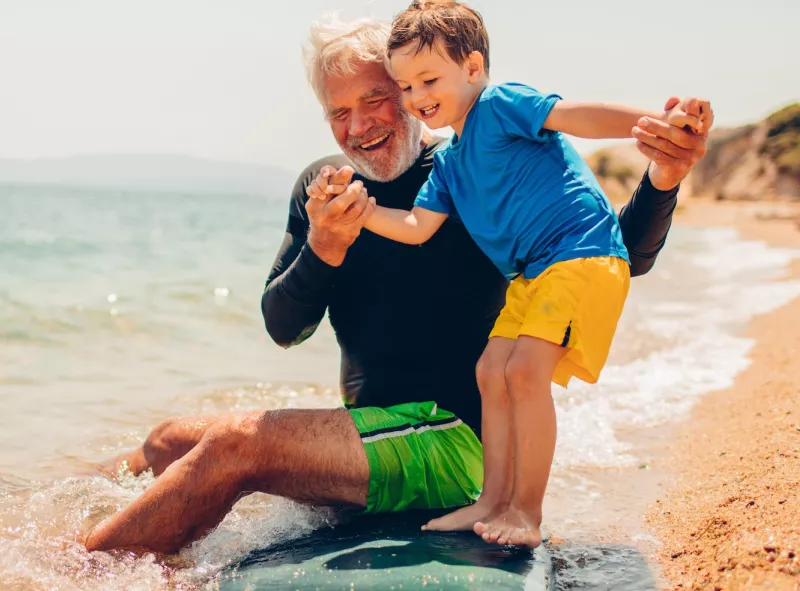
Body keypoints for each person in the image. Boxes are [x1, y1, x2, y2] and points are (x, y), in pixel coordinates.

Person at [82, 16, 713, 555]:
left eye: (377, 98)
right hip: (376, 432)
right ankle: (101, 544)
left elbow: (614, 255)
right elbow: (283, 327)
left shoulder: (468, 171)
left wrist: (663, 176)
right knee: (166, 441)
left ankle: (78, 569)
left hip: (455, 440)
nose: (358, 126)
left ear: (413, 95)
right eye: (338, 111)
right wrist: (323, 248)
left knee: (237, 444)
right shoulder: (324, 188)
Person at [307, 0, 711, 548]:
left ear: (472, 68)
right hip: (532, 276)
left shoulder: (500, 105)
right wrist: (359, 211)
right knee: (490, 369)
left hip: (580, 253)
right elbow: (416, 226)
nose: (418, 98)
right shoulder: (449, 163)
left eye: (429, 80)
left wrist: (654, 126)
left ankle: (527, 513)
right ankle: (491, 500)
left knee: (523, 373)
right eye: (404, 87)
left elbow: (575, 117)